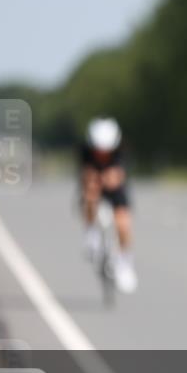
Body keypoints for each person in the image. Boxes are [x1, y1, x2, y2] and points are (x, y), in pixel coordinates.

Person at [79, 117, 138, 293]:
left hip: (116, 190)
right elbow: (86, 175)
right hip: (93, 187)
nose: (102, 155)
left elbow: (118, 177)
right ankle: (91, 233)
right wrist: (94, 180)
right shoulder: (85, 151)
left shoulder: (121, 152)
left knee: (123, 224)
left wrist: (108, 177)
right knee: (90, 193)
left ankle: (124, 261)